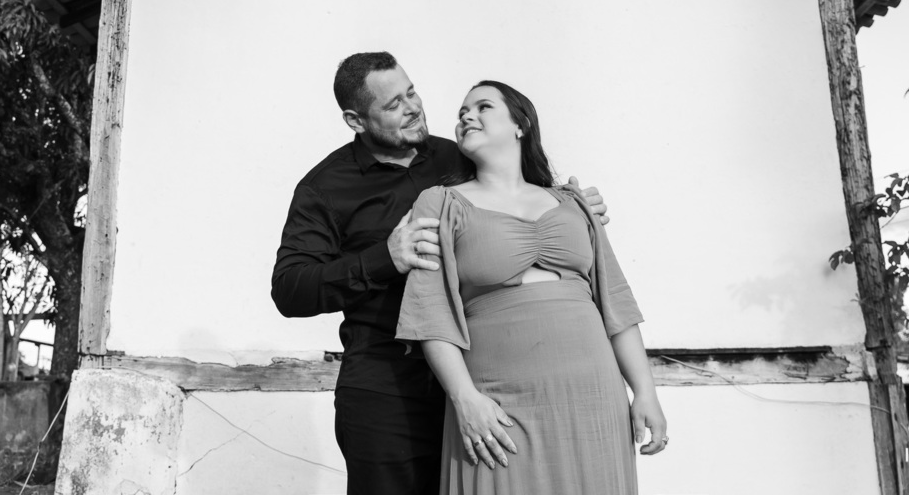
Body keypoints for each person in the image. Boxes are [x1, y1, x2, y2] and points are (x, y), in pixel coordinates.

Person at [271, 53, 608, 495]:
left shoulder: (456, 155)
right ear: (355, 120)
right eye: (392, 105)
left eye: (412, 92)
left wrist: (574, 206)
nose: (412, 108)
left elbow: (514, 198)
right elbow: (290, 289)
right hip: (388, 393)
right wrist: (384, 258)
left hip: (480, 383)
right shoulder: (324, 187)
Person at [396, 80, 667, 495]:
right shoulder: (441, 203)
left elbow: (616, 305)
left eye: (483, 106)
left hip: (593, 395)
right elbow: (431, 314)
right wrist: (464, 398)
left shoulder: (573, 202)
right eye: (462, 113)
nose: (466, 116)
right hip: (498, 400)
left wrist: (645, 391)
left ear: (520, 124)